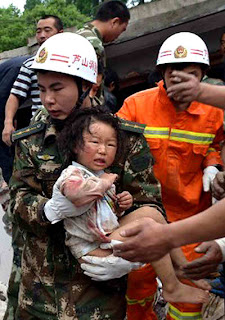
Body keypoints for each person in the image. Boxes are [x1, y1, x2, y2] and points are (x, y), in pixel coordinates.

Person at [6, 31, 167, 320]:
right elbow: (17, 205)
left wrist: (128, 256)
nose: (48, 100)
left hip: (98, 299)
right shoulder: (30, 141)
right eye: (41, 89)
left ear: (88, 86)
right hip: (40, 297)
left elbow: (150, 205)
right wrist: (49, 208)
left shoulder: (125, 139)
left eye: (57, 88)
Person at [50, 107, 209, 306]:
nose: (103, 150)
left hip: (105, 235)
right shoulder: (73, 173)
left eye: (110, 144)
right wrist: (105, 183)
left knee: (153, 214)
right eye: (94, 142)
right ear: (75, 145)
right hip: (90, 248)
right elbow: (76, 193)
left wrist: (120, 204)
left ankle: (182, 267)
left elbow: (102, 214)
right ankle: (171, 288)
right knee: (148, 228)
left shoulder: (99, 175)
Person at [117, 32, 225, 320]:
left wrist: (213, 165)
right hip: (145, 216)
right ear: (162, 73)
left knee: (191, 296)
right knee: (136, 289)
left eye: (192, 74)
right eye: (174, 74)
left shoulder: (215, 111)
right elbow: (111, 146)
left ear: (203, 75)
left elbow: (216, 144)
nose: (182, 82)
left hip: (192, 222)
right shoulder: (136, 106)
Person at [2, 14, 64, 147]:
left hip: (69, 127)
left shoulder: (71, 62)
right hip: (39, 130)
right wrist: (8, 123)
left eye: (47, 30)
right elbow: (15, 96)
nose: (42, 35)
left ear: (60, 33)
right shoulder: (30, 64)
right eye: (38, 31)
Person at [0, 56, 30, 183]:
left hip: (24, 106)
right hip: (2, 104)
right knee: (6, 144)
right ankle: (12, 183)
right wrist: (8, 123)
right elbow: (2, 100)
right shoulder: (19, 70)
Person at [77, 0, 130, 68]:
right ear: (115, 22)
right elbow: (97, 78)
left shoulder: (78, 35)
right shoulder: (95, 44)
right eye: (122, 30)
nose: (118, 36)